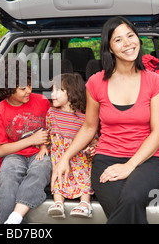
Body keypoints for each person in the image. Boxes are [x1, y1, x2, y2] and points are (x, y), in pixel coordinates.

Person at [51, 16, 159, 224]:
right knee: (122, 207)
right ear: (110, 48)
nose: (128, 43)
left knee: (131, 199)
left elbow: (158, 132)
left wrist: (129, 166)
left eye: (130, 36)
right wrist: (65, 157)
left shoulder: (154, 81)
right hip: (106, 159)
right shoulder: (96, 82)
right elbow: (88, 127)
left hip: (146, 160)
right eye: (118, 40)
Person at [0, 58, 51, 224]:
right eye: (23, 88)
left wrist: (43, 144)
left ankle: (16, 216)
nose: (29, 90)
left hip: (40, 152)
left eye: (29, 85)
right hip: (14, 155)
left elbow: (55, 127)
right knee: (7, 176)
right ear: (7, 90)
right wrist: (32, 140)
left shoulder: (42, 101)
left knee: (41, 168)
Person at [47, 73, 97, 219]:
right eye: (52, 90)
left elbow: (93, 138)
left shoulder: (85, 117)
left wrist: (91, 149)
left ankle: (85, 203)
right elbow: (47, 133)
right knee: (58, 175)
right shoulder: (51, 113)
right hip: (58, 156)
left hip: (79, 157)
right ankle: (58, 203)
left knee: (83, 173)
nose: (52, 94)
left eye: (58, 90)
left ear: (72, 93)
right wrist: (44, 147)